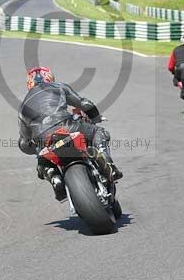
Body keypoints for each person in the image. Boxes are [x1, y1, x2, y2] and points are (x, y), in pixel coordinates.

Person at [17, 66, 122, 200]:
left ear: (29, 83)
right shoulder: (58, 86)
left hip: (43, 138)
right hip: (67, 126)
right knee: (98, 132)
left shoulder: (22, 107)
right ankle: (107, 162)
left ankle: (55, 178)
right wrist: (95, 117)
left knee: (41, 159)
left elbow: (24, 142)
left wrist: (34, 148)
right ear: (49, 77)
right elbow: (84, 103)